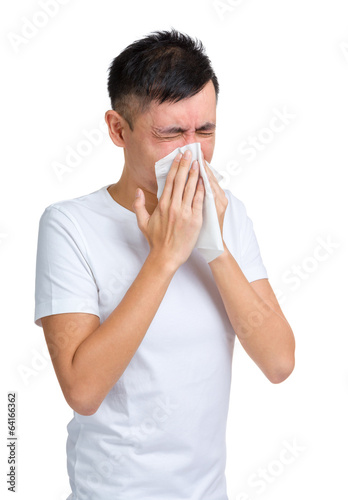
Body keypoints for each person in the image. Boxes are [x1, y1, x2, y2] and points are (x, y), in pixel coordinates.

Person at [34, 29, 295, 500]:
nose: (191, 151)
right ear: (118, 129)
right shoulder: (68, 225)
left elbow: (279, 362)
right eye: (171, 133)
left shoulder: (226, 212)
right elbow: (83, 391)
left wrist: (213, 246)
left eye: (206, 131)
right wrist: (165, 256)